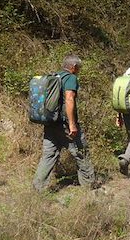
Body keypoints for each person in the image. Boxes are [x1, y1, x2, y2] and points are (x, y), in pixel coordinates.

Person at [33, 54, 96, 191]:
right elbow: (69, 99)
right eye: (79, 67)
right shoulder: (71, 78)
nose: (79, 70)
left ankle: (38, 187)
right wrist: (72, 124)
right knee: (81, 151)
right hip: (65, 125)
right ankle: (89, 185)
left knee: (48, 155)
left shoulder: (55, 76)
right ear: (73, 67)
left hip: (50, 123)